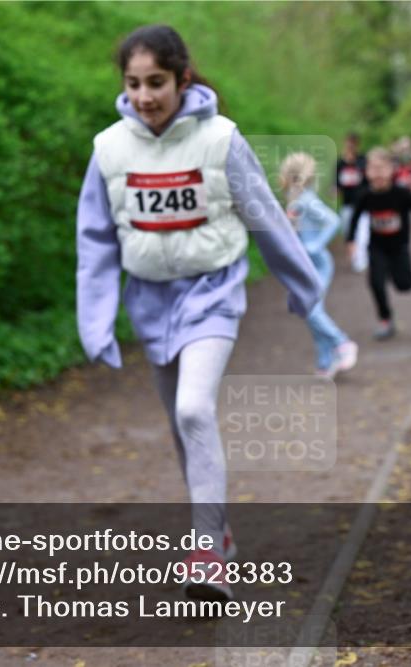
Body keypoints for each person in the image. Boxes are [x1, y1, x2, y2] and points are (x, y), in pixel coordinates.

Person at [76, 25, 320, 602]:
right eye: (133, 84)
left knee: (193, 408)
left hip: (212, 293)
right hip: (150, 302)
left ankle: (206, 550)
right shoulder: (109, 148)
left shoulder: (221, 139)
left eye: (156, 82)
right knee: (186, 428)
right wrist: (96, 320)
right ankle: (220, 531)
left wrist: (303, 286)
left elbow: (265, 216)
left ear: (183, 79)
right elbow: (95, 240)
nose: (144, 96)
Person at [278, 152, 358, 379]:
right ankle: (325, 361)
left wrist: (315, 245)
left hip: (318, 264)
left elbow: (334, 221)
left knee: (312, 310)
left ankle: (341, 343)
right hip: (305, 265)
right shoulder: (295, 200)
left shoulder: (307, 200)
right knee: (310, 311)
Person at [347, 148, 411, 340]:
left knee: (405, 285)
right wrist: (351, 241)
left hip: (399, 246)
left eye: (381, 168)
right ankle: (385, 320)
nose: (378, 173)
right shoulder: (365, 196)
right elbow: (354, 219)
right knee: (375, 283)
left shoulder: (401, 194)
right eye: (373, 168)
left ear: (391, 170)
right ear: (367, 172)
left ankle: (392, 272)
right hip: (377, 246)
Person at [335, 132, 369, 273]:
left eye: (352, 143)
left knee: (363, 233)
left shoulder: (362, 160)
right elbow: (336, 182)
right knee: (349, 232)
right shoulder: (340, 163)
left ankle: (362, 258)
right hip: (347, 204)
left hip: (362, 203)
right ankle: (355, 257)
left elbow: (367, 180)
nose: (350, 146)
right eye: (348, 143)